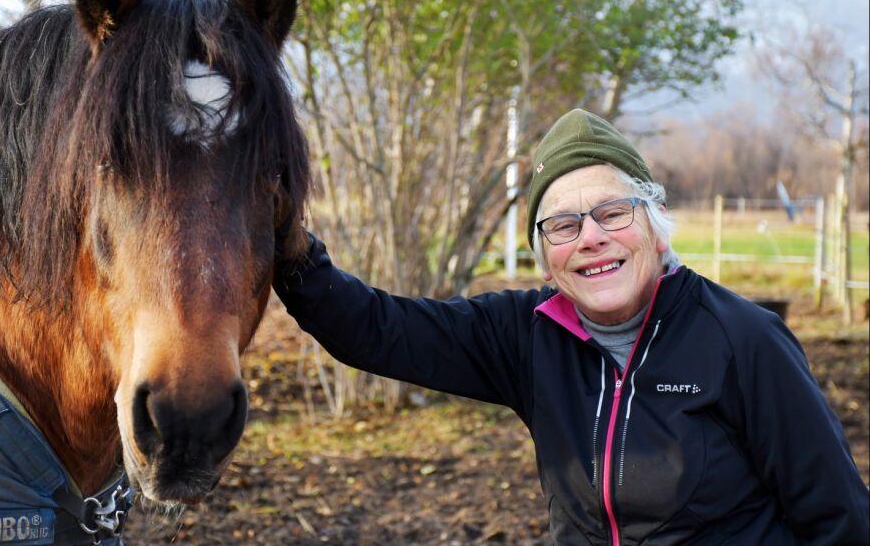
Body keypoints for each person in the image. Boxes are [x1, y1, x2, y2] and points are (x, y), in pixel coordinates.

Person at [273, 108, 869, 545]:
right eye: (563, 225)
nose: (591, 237)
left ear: (657, 229)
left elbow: (840, 521)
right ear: (547, 257)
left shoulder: (743, 340)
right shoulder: (529, 335)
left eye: (613, 212)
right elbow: (374, 330)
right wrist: (278, 233)